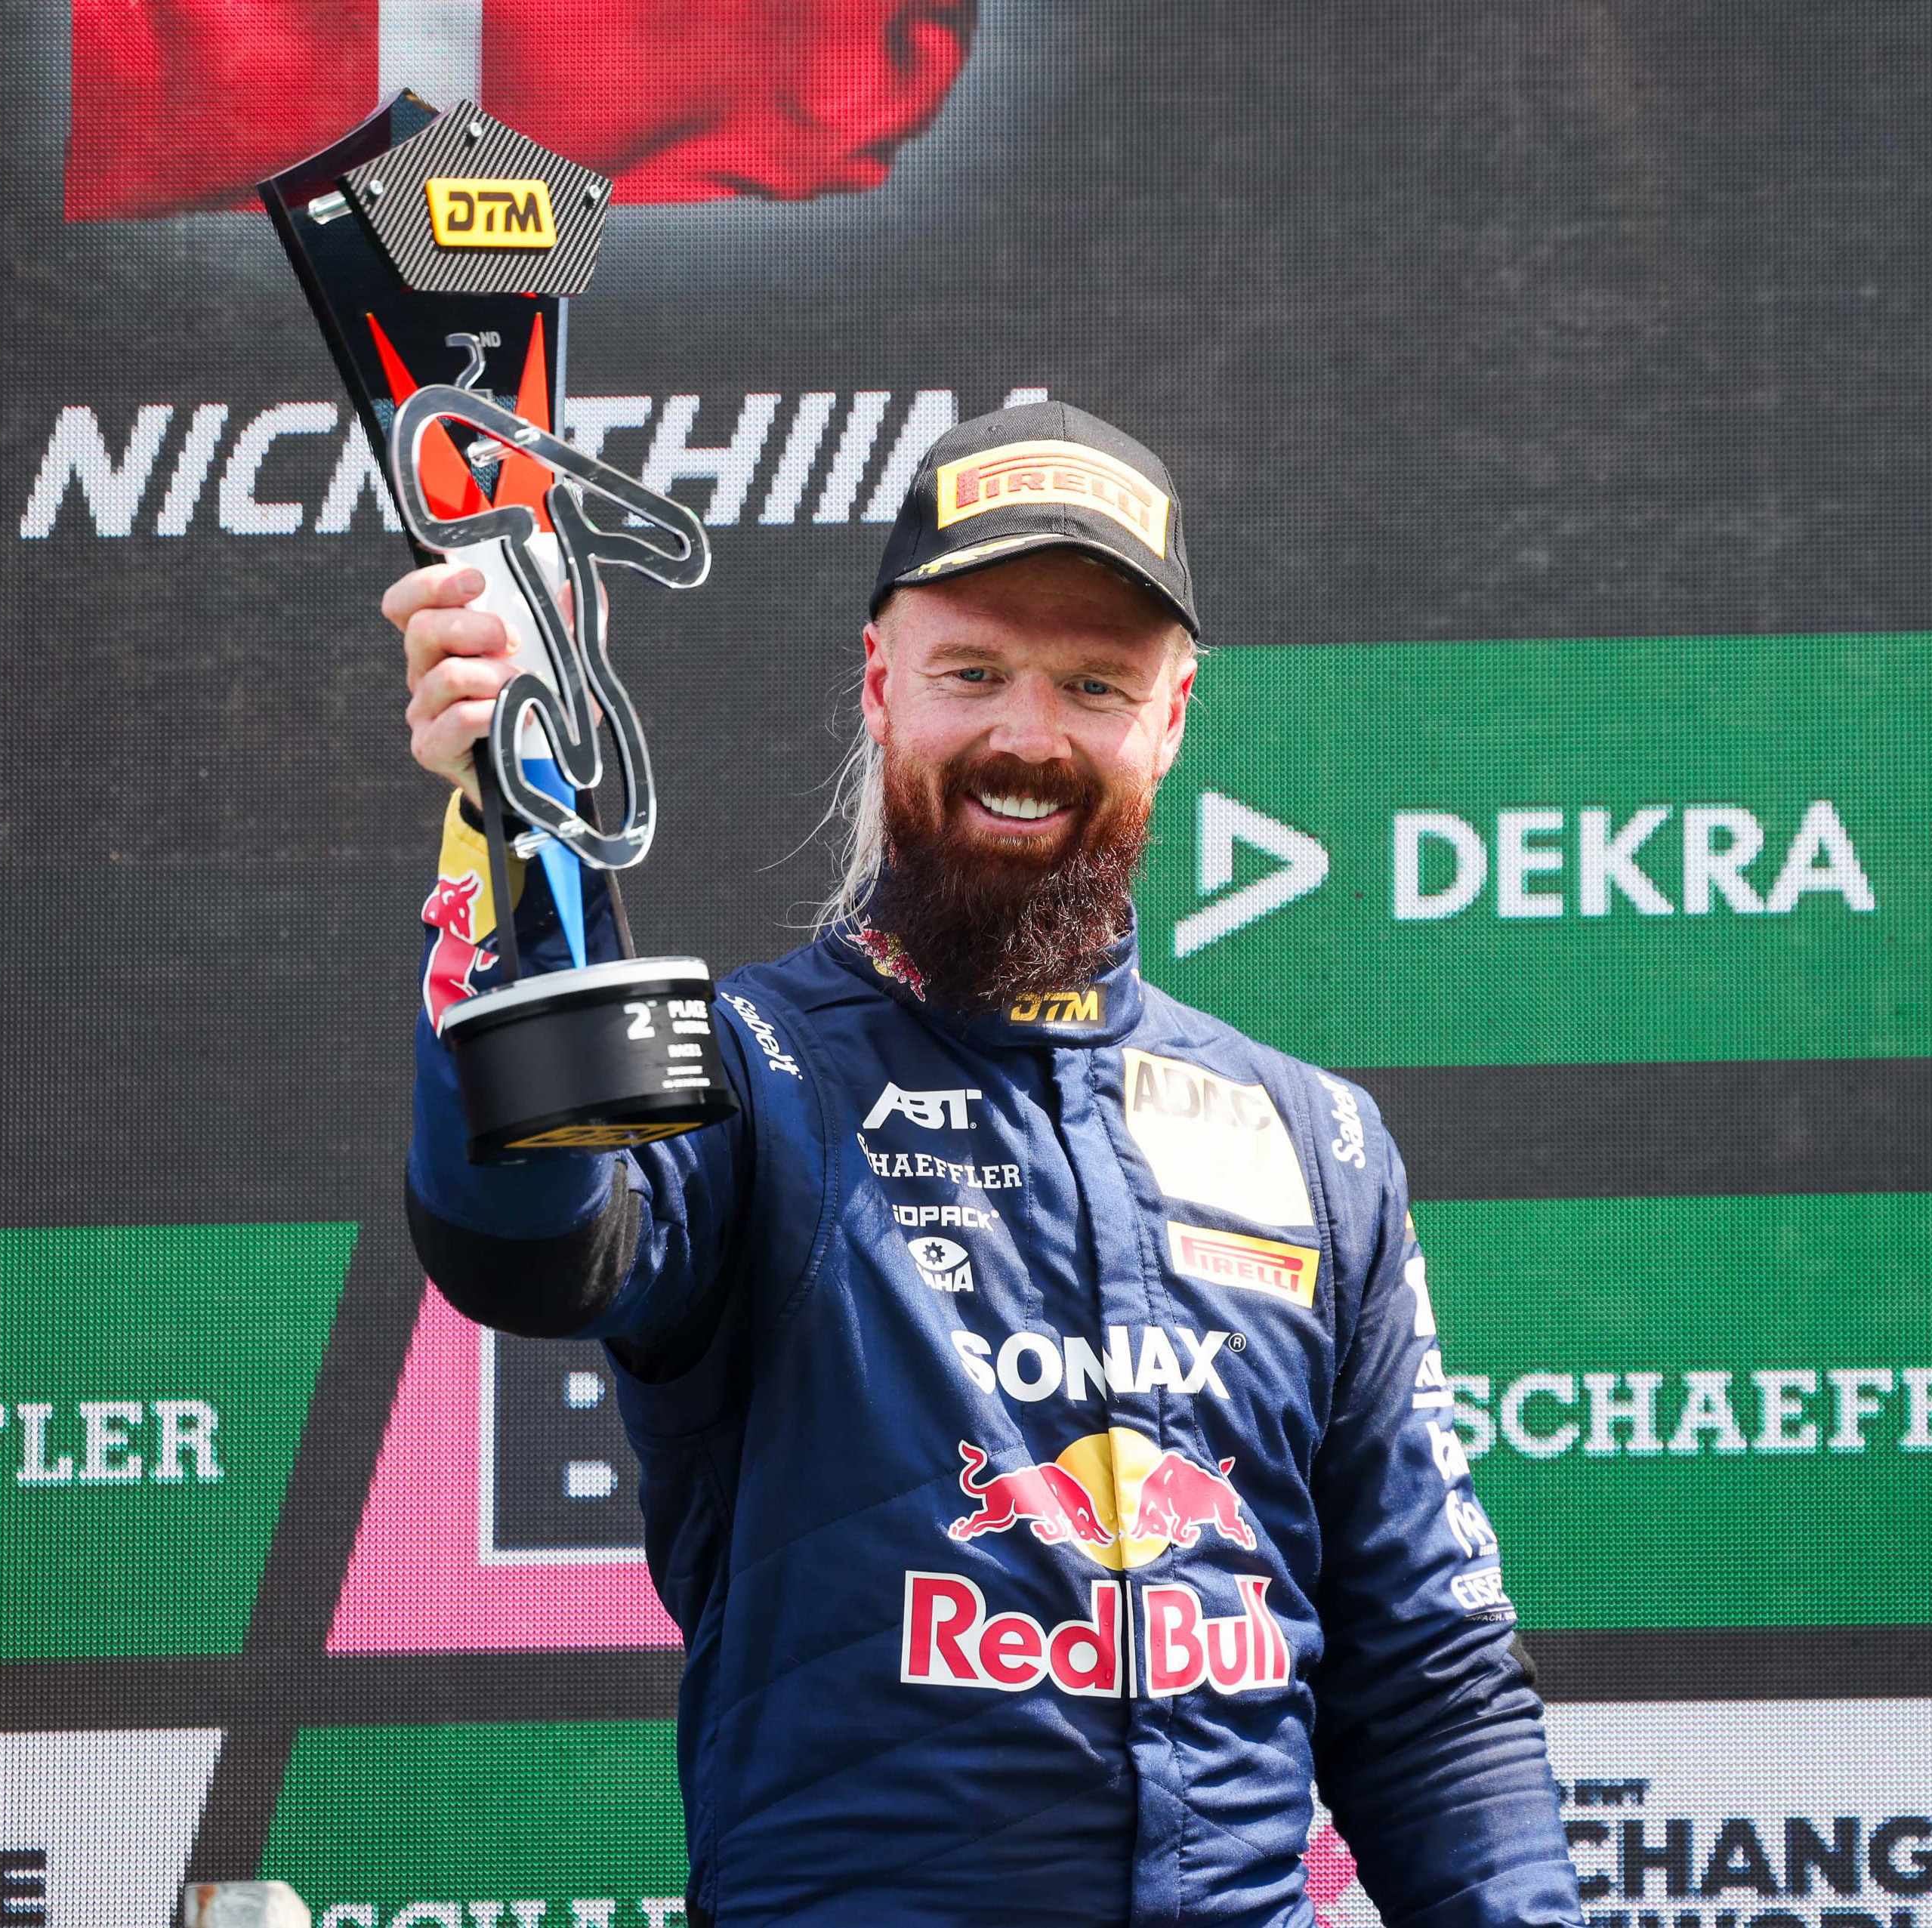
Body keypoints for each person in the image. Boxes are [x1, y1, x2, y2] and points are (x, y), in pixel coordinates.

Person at [388, 401, 1583, 1926]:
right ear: (879, 684)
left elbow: (1427, 1683)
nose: (1028, 735)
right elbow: (527, 1238)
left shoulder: (1314, 1140)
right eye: (973, 672)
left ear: (1171, 714)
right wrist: (513, 816)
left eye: (1093, 684)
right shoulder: (752, 1072)